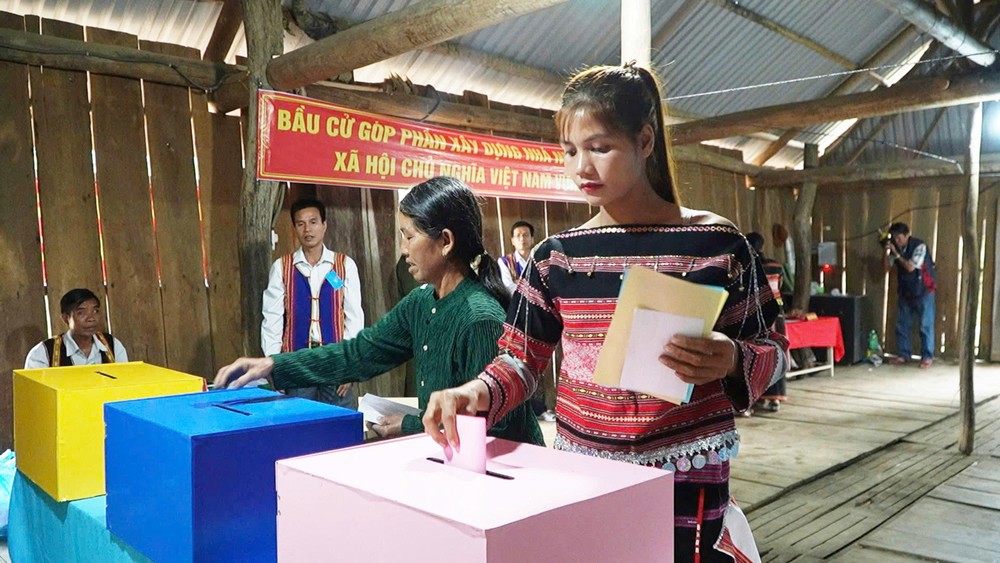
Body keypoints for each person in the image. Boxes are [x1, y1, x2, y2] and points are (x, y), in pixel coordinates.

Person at [421, 64, 787, 562]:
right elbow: (521, 360)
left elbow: (773, 350)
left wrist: (732, 358)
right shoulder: (557, 257)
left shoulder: (717, 244)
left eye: (599, 147)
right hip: (587, 474)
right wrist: (475, 392)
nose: (581, 168)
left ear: (645, 140)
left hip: (688, 480)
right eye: (570, 151)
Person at [215, 177, 543, 445]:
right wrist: (274, 364)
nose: (403, 249)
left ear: (445, 241)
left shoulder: (480, 318)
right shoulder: (421, 302)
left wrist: (411, 424)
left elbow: (495, 428)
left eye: (409, 236)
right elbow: (359, 353)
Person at [261, 198, 364, 408]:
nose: (307, 229)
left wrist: (350, 365)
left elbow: (354, 317)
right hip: (297, 363)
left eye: (313, 222)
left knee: (338, 420)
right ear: (295, 228)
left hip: (335, 362)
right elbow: (272, 319)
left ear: (324, 225)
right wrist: (276, 365)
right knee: (300, 420)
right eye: (301, 223)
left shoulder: (344, 265)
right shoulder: (282, 267)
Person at [24, 288, 128, 368]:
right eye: (81, 313)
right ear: (66, 318)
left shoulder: (113, 346)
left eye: (95, 311)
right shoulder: (43, 353)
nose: (91, 318)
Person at [884, 222, 936, 368]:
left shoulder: (919, 246)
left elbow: (910, 267)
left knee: (925, 325)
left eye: (899, 237)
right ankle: (903, 355)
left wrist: (896, 254)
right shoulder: (896, 248)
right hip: (906, 291)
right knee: (902, 325)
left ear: (907, 235)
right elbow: (886, 267)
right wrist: (886, 252)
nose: (897, 240)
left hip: (924, 290)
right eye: (894, 237)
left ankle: (927, 357)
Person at [747, 232, 787, 413]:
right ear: (762, 246)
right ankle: (775, 398)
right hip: (776, 316)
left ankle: (757, 397)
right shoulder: (776, 266)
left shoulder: (747, 267)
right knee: (777, 354)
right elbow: (780, 287)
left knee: (756, 357)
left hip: (757, 318)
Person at [498, 220, 535, 294]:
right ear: (512, 241)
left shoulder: (539, 260)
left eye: (526, 235)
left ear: (532, 239)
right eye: (518, 235)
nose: (522, 239)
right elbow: (509, 287)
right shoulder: (505, 262)